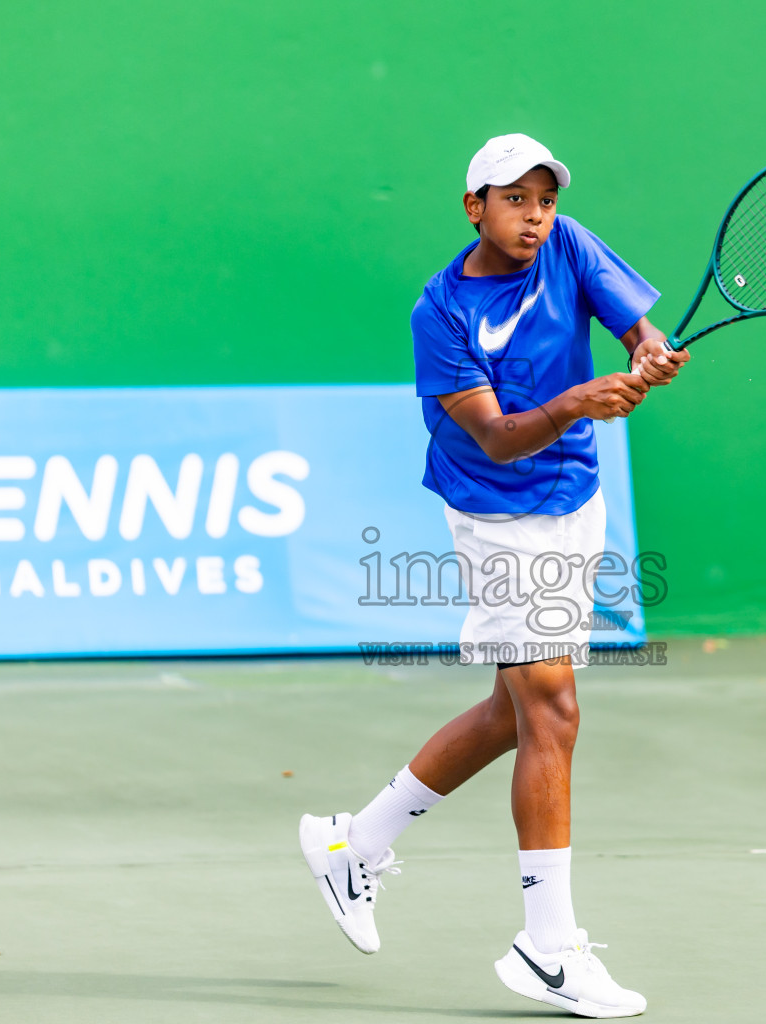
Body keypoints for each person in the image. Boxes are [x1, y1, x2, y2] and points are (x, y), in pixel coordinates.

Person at [300, 132, 688, 1018]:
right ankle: (548, 946)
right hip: (496, 513)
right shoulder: (437, 314)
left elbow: (635, 325)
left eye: (544, 198)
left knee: (515, 710)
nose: (535, 215)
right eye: (515, 199)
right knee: (552, 701)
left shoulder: (569, 244)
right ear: (474, 206)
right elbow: (501, 436)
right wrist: (580, 400)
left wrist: (648, 353)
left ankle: (353, 847)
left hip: (574, 502)